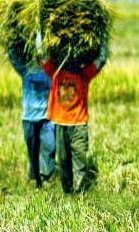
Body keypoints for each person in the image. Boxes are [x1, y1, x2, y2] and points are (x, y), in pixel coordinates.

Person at [40, 42, 107, 194]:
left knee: (80, 161)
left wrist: (103, 38)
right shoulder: (56, 73)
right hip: (61, 123)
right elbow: (42, 56)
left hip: (79, 124)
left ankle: (79, 193)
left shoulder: (84, 74)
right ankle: (68, 192)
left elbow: (101, 59)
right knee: (63, 161)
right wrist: (40, 34)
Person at [7, 47, 55, 187]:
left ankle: (46, 177)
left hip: (47, 117)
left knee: (49, 146)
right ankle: (35, 178)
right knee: (32, 148)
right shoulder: (26, 70)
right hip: (29, 117)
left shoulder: (50, 72)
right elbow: (13, 57)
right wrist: (11, 43)